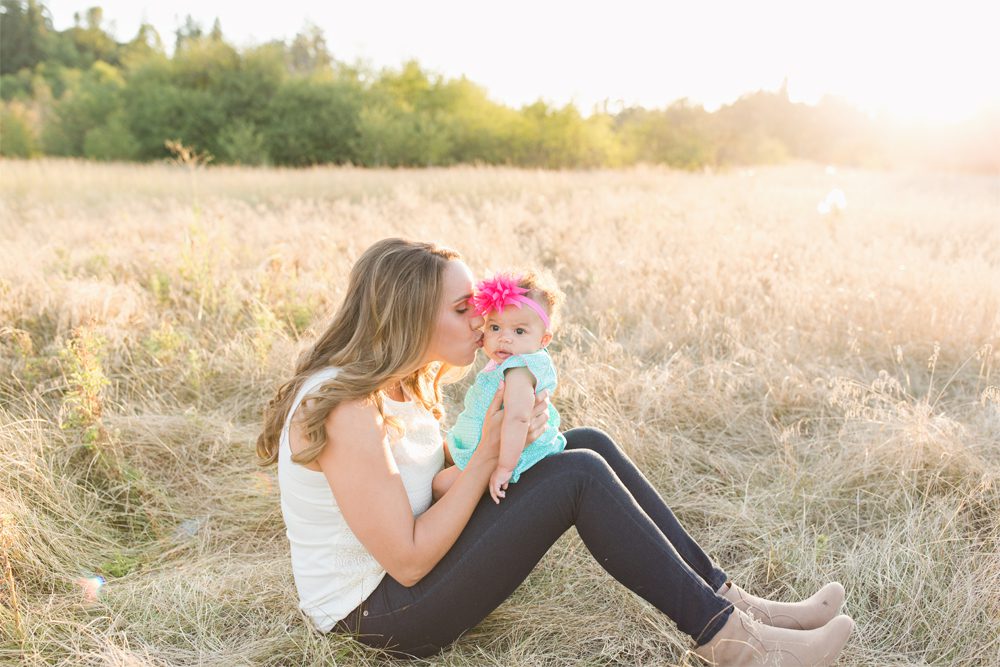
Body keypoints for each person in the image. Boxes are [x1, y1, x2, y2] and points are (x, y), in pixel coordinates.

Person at [255, 238, 855, 665]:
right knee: (577, 476)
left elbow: (433, 483)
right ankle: (740, 648)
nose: (484, 321)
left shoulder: (404, 384)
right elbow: (409, 560)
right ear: (408, 315)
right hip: (380, 617)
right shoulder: (346, 410)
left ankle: (734, 604)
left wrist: (504, 451)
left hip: (409, 574)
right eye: (464, 310)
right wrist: (490, 453)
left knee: (581, 445)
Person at [432, 270, 567, 504]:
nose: (504, 338)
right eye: (495, 328)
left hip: (510, 454)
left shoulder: (519, 370)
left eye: (519, 331)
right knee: (442, 456)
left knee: (440, 487)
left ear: (544, 340)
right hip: (483, 445)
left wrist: (504, 468)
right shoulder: (506, 362)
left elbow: (518, 419)